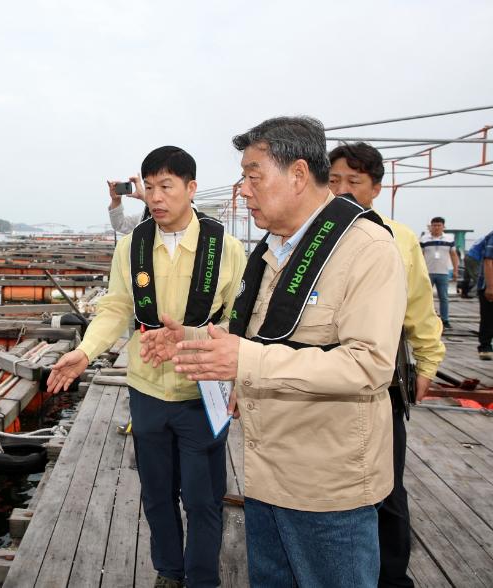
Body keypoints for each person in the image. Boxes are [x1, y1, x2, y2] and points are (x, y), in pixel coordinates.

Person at [142, 117, 406, 587]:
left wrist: (244, 360)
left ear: (299, 175)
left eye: (253, 175)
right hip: (266, 477)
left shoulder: (366, 247)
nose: (243, 189)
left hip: (327, 490)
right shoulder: (274, 249)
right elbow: (261, 336)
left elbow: (369, 365)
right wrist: (192, 338)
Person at [48, 146, 247, 588]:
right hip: (147, 390)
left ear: (191, 189)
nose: (156, 197)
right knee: (157, 493)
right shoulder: (133, 246)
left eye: (167, 187)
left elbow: (242, 320)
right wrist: (86, 351)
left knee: (203, 497)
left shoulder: (226, 248)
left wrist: (232, 372)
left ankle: (201, 579)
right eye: (150, 187)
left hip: (203, 390)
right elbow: (116, 307)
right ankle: (169, 571)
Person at [328, 142, 445, 587]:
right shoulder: (311, 235)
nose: (342, 190)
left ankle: (392, 577)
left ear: (376, 188)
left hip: (380, 381)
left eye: (354, 182)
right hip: (323, 379)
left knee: (387, 485)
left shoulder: (398, 237)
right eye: (334, 180)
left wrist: (428, 363)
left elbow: (419, 307)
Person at [420, 217, 459, 328]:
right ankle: (424, 320)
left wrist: (455, 270)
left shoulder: (449, 239)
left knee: (444, 297)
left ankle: (445, 320)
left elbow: (453, 255)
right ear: (430, 226)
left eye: (439, 225)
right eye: (434, 225)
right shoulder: (424, 239)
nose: (436, 227)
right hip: (427, 273)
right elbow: (419, 256)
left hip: (443, 272)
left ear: (443, 226)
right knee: (425, 297)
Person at [474, 230, 493, 360]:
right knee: (488, 317)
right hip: (488, 285)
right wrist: (490, 286)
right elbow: (488, 261)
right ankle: (485, 347)